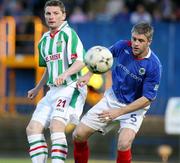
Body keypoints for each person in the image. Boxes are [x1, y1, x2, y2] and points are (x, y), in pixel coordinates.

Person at [73, 22, 162, 163]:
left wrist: (120, 112)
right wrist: (88, 75)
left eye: (141, 40)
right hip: (112, 99)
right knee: (78, 134)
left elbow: (147, 98)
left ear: (149, 41)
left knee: (124, 143)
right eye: (134, 39)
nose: (135, 43)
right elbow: (100, 57)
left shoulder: (154, 65)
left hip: (134, 108)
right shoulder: (122, 46)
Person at [26, 0, 87, 163]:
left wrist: (65, 74)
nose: (51, 17)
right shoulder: (44, 40)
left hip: (70, 87)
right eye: (48, 13)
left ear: (63, 15)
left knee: (56, 126)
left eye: (55, 13)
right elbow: (49, 68)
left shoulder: (69, 34)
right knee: (32, 129)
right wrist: (37, 88)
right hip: (52, 91)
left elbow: (81, 61)